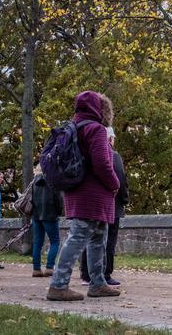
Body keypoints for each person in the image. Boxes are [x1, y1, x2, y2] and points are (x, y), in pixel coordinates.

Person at [47, 91, 120, 301]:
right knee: (78, 237)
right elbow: (102, 164)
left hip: (76, 191)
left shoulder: (74, 128)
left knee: (98, 237)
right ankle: (58, 285)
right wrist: (115, 184)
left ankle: (98, 283)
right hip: (93, 194)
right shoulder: (95, 129)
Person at [80, 126, 130, 286]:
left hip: (91, 204)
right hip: (111, 205)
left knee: (89, 239)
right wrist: (124, 199)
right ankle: (105, 273)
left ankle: (87, 273)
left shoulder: (87, 154)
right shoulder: (113, 156)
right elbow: (120, 180)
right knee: (107, 241)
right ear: (110, 139)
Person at [31, 164, 63, 277]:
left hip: (36, 215)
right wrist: (59, 211)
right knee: (55, 241)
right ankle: (49, 267)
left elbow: (31, 198)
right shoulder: (53, 180)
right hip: (50, 214)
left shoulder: (34, 181)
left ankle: (36, 269)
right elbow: (58, 199)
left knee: (37, 242)